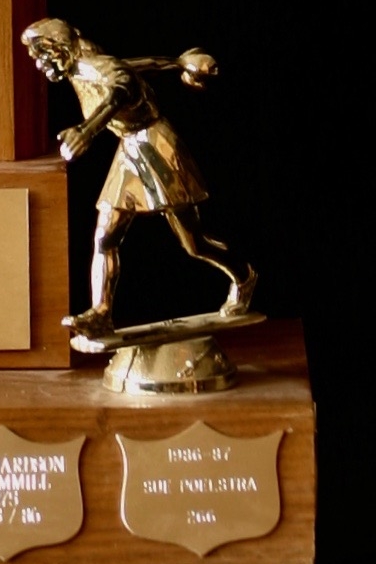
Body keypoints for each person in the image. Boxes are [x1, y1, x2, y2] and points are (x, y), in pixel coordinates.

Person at [22, 18, 255, 337]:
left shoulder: (95, 66)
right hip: (130, 147)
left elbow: (121, 89)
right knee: (105, 235)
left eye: (40, 54)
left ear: (58, 49)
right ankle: (101, 312)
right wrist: (176, 63)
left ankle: (243, 276)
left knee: (193, 242)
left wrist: (87, 131)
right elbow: (136, 67)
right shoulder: (84, 67)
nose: (38, 62)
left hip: (156, 146)